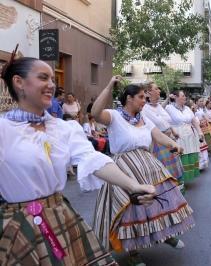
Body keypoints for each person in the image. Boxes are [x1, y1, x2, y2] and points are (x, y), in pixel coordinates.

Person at [0, 54, 155, 265]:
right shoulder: (4, 129)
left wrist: (134, 185)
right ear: (19, 82)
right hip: (17, 224)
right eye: (43, 78)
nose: (51, 85)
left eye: (53, 79)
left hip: (59, 215)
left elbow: (93, 159)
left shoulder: (63, 128)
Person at [91, 78, 195, 263]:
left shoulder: (144, 118)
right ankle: (133, 253)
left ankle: (165, 234)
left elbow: (158, 136)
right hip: (124, 170)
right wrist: (108, 86)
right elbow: (95, 112)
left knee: (159, 203)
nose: (144, 101)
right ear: (129, 98)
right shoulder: (113, 116)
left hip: (149, 165)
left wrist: (173, 144)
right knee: (131, 210)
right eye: (140, 97)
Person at [142, 82, 185, 188]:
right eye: (156, 89)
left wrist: (173, 131)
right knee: (165, 173)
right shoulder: (144, 109)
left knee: (174, 170)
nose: (159, 91)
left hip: (169, 141)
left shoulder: (159, 107)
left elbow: (166, 122)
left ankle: (177, 195)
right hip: (158, 144)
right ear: (148, 93)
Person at [165, 90, 203, 182]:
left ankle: (187, 178)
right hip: (178, 136)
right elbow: (164, 121)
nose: (185, 97)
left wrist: (200, 132)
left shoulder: (187, 108)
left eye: (184, 96)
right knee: (180, 156)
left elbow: (194, 121)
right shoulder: (169, 108)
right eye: (182, 96)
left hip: (190, 136)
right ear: (176, 97)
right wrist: (167, 98)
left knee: (189, 155)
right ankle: (180, 179)